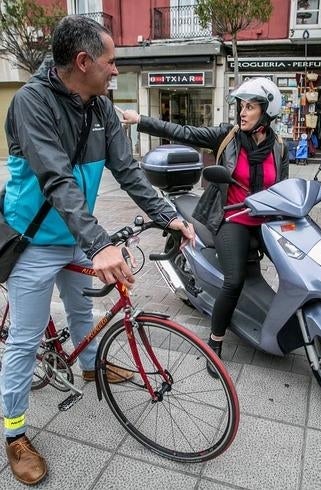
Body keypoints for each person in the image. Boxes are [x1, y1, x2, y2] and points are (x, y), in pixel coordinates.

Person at [0, 15, 194, 486]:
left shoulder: (102, 108)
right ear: (83, 61)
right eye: (110, 62)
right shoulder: (32, 103)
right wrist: (100, 243)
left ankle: (90, 367)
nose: (115, 71)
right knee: (25, 339)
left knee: (84, 310)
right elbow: (56, 179)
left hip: (75, 234)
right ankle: (14, 434)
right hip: (31, 240)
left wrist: (167, 213)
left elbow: (128, 171)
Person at [121, 77, 289, 376]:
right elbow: (184, 132)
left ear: (267, 111)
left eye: (250, 107)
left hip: (265, 221)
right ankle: (216, 341)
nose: (243, 112)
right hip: (231, 219)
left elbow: (284, 188)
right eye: (241, 106)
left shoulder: (278, 147)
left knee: (294, 264)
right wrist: (141, 120)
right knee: (234, 280)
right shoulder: (228, 136)